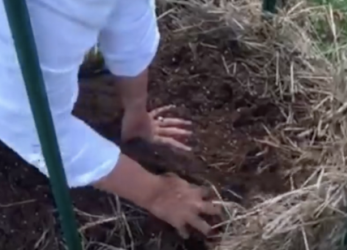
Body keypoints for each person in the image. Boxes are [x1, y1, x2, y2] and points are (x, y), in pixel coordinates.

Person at [0, 0, 221, 239]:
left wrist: (136, 111)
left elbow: (129, 20)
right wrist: (154, 193)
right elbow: (34, 126)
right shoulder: (24, 20)